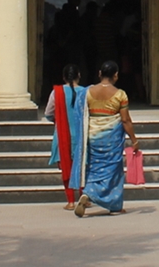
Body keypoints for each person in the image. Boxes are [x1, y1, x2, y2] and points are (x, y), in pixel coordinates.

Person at [73, 60, 139, 217]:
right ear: (116, 75)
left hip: (93, 136)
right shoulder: (120, 94)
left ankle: (87, 193)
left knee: (95, 169)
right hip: (112, 140)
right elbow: (125, 120)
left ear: (99, 74)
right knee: (113, 171)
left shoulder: (86, 93)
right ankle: (114, 206)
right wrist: (134, 140)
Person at [44, 63, 86, 209]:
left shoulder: (57, 92)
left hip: (62, 135)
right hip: (82, 136)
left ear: (63, 77)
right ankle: (83, 198)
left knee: (66, 168)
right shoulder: (86, 92)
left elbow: (48, 114)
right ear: (79, 76)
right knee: (82, 167)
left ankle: (70, 201)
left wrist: (59, 120)